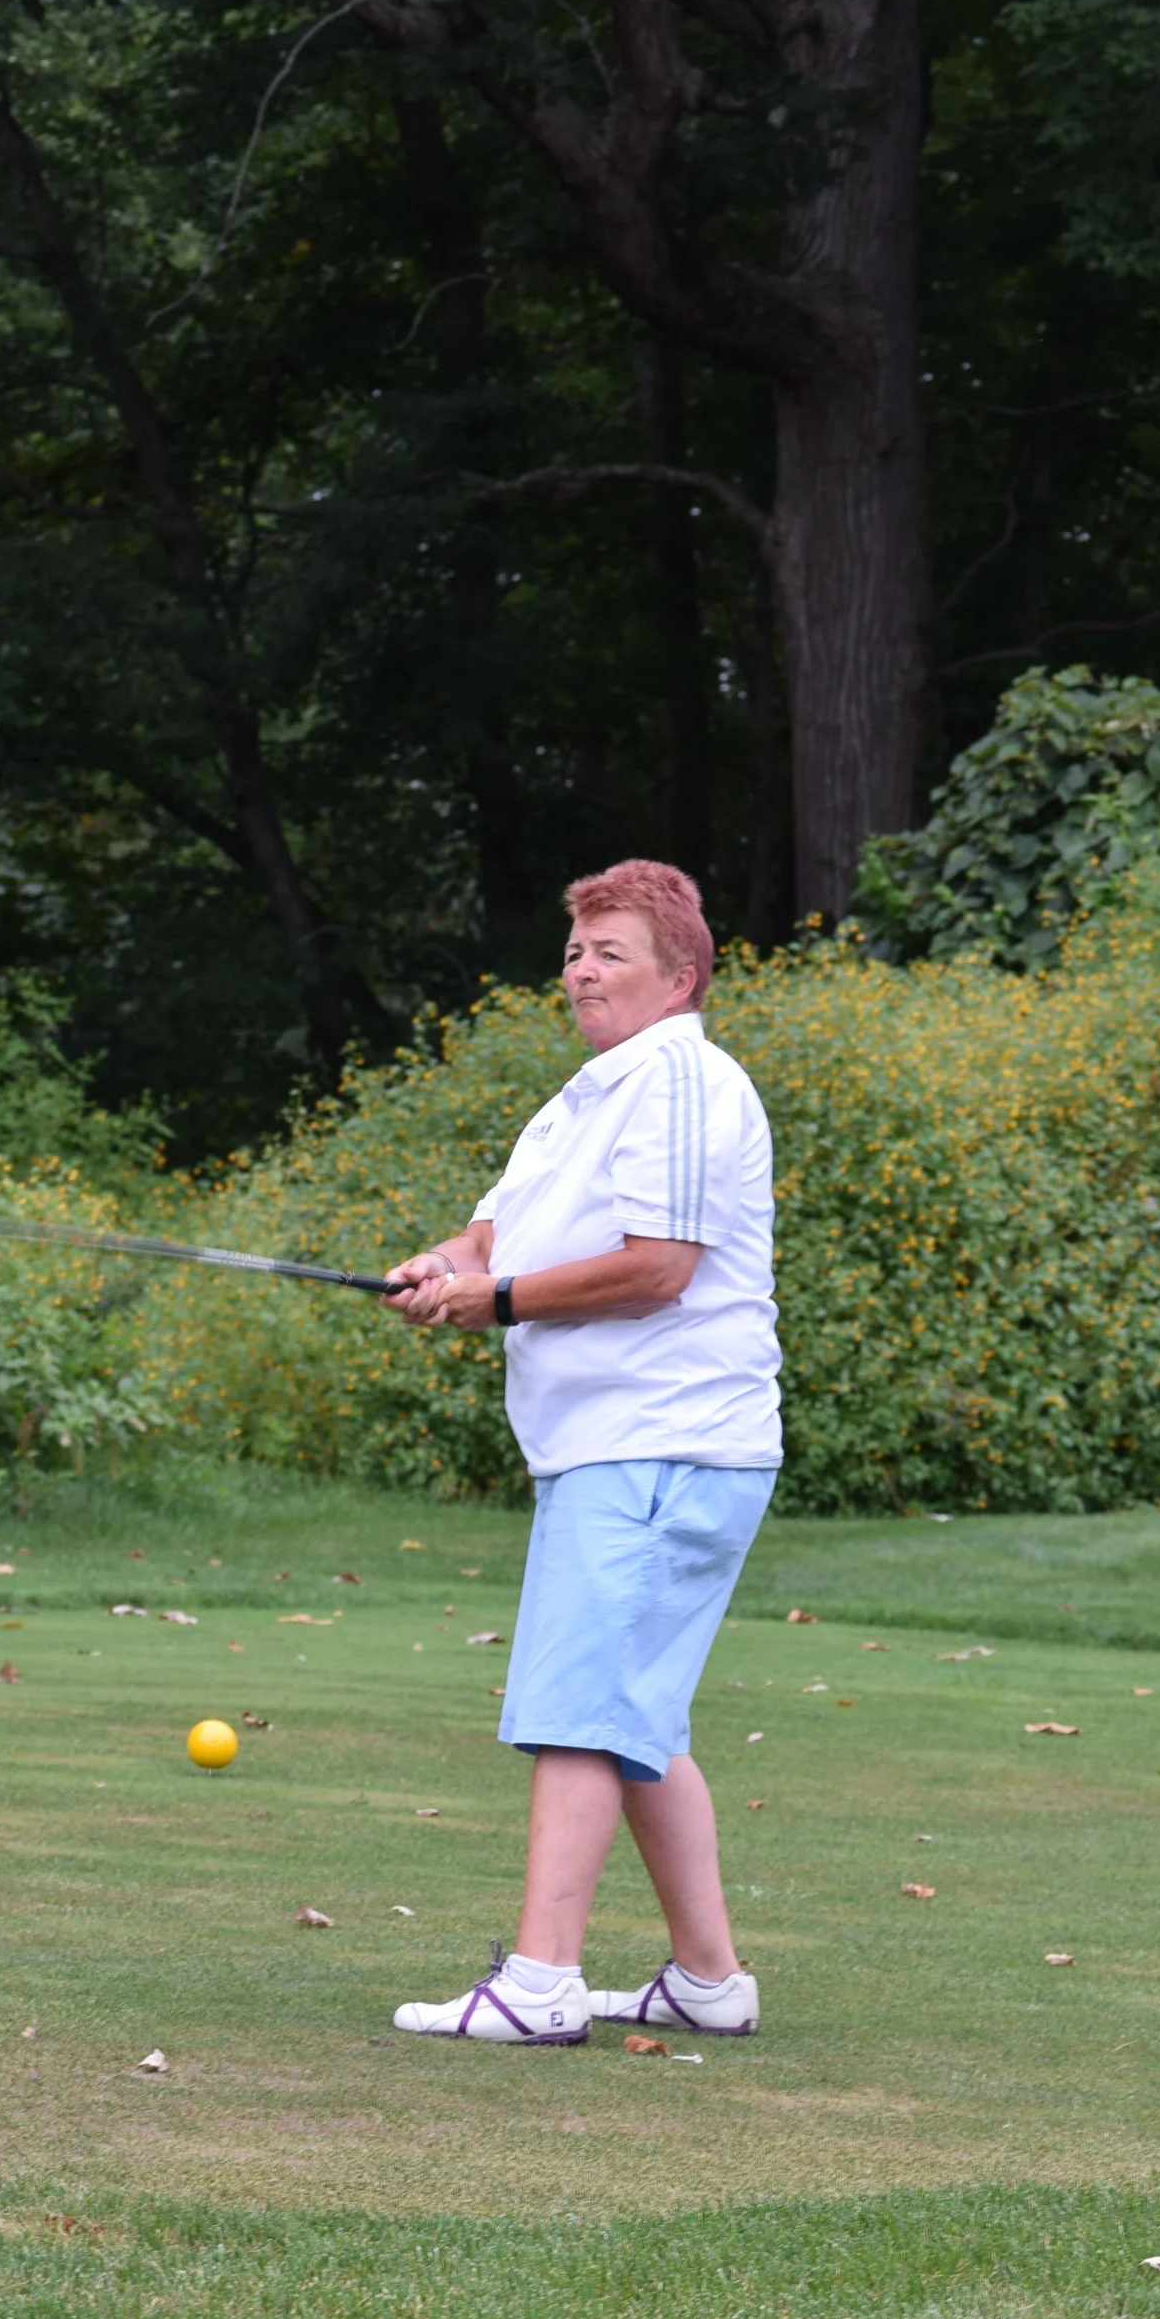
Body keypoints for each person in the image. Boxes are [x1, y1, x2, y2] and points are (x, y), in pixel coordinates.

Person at [384, 859, 781, 2044]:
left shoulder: (676, 1079)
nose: (581, 970)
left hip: (656, 1443)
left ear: (680, 979)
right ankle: (708, 1981)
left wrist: (493, 1302)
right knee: (637, 1720)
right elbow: (499, 1229)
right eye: (572, 951)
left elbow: (661, 1264)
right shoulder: (589, 1093)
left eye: (611, 952)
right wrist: (448, 1266)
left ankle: (542, 1980)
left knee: (574, 1712)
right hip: (633, 1446)